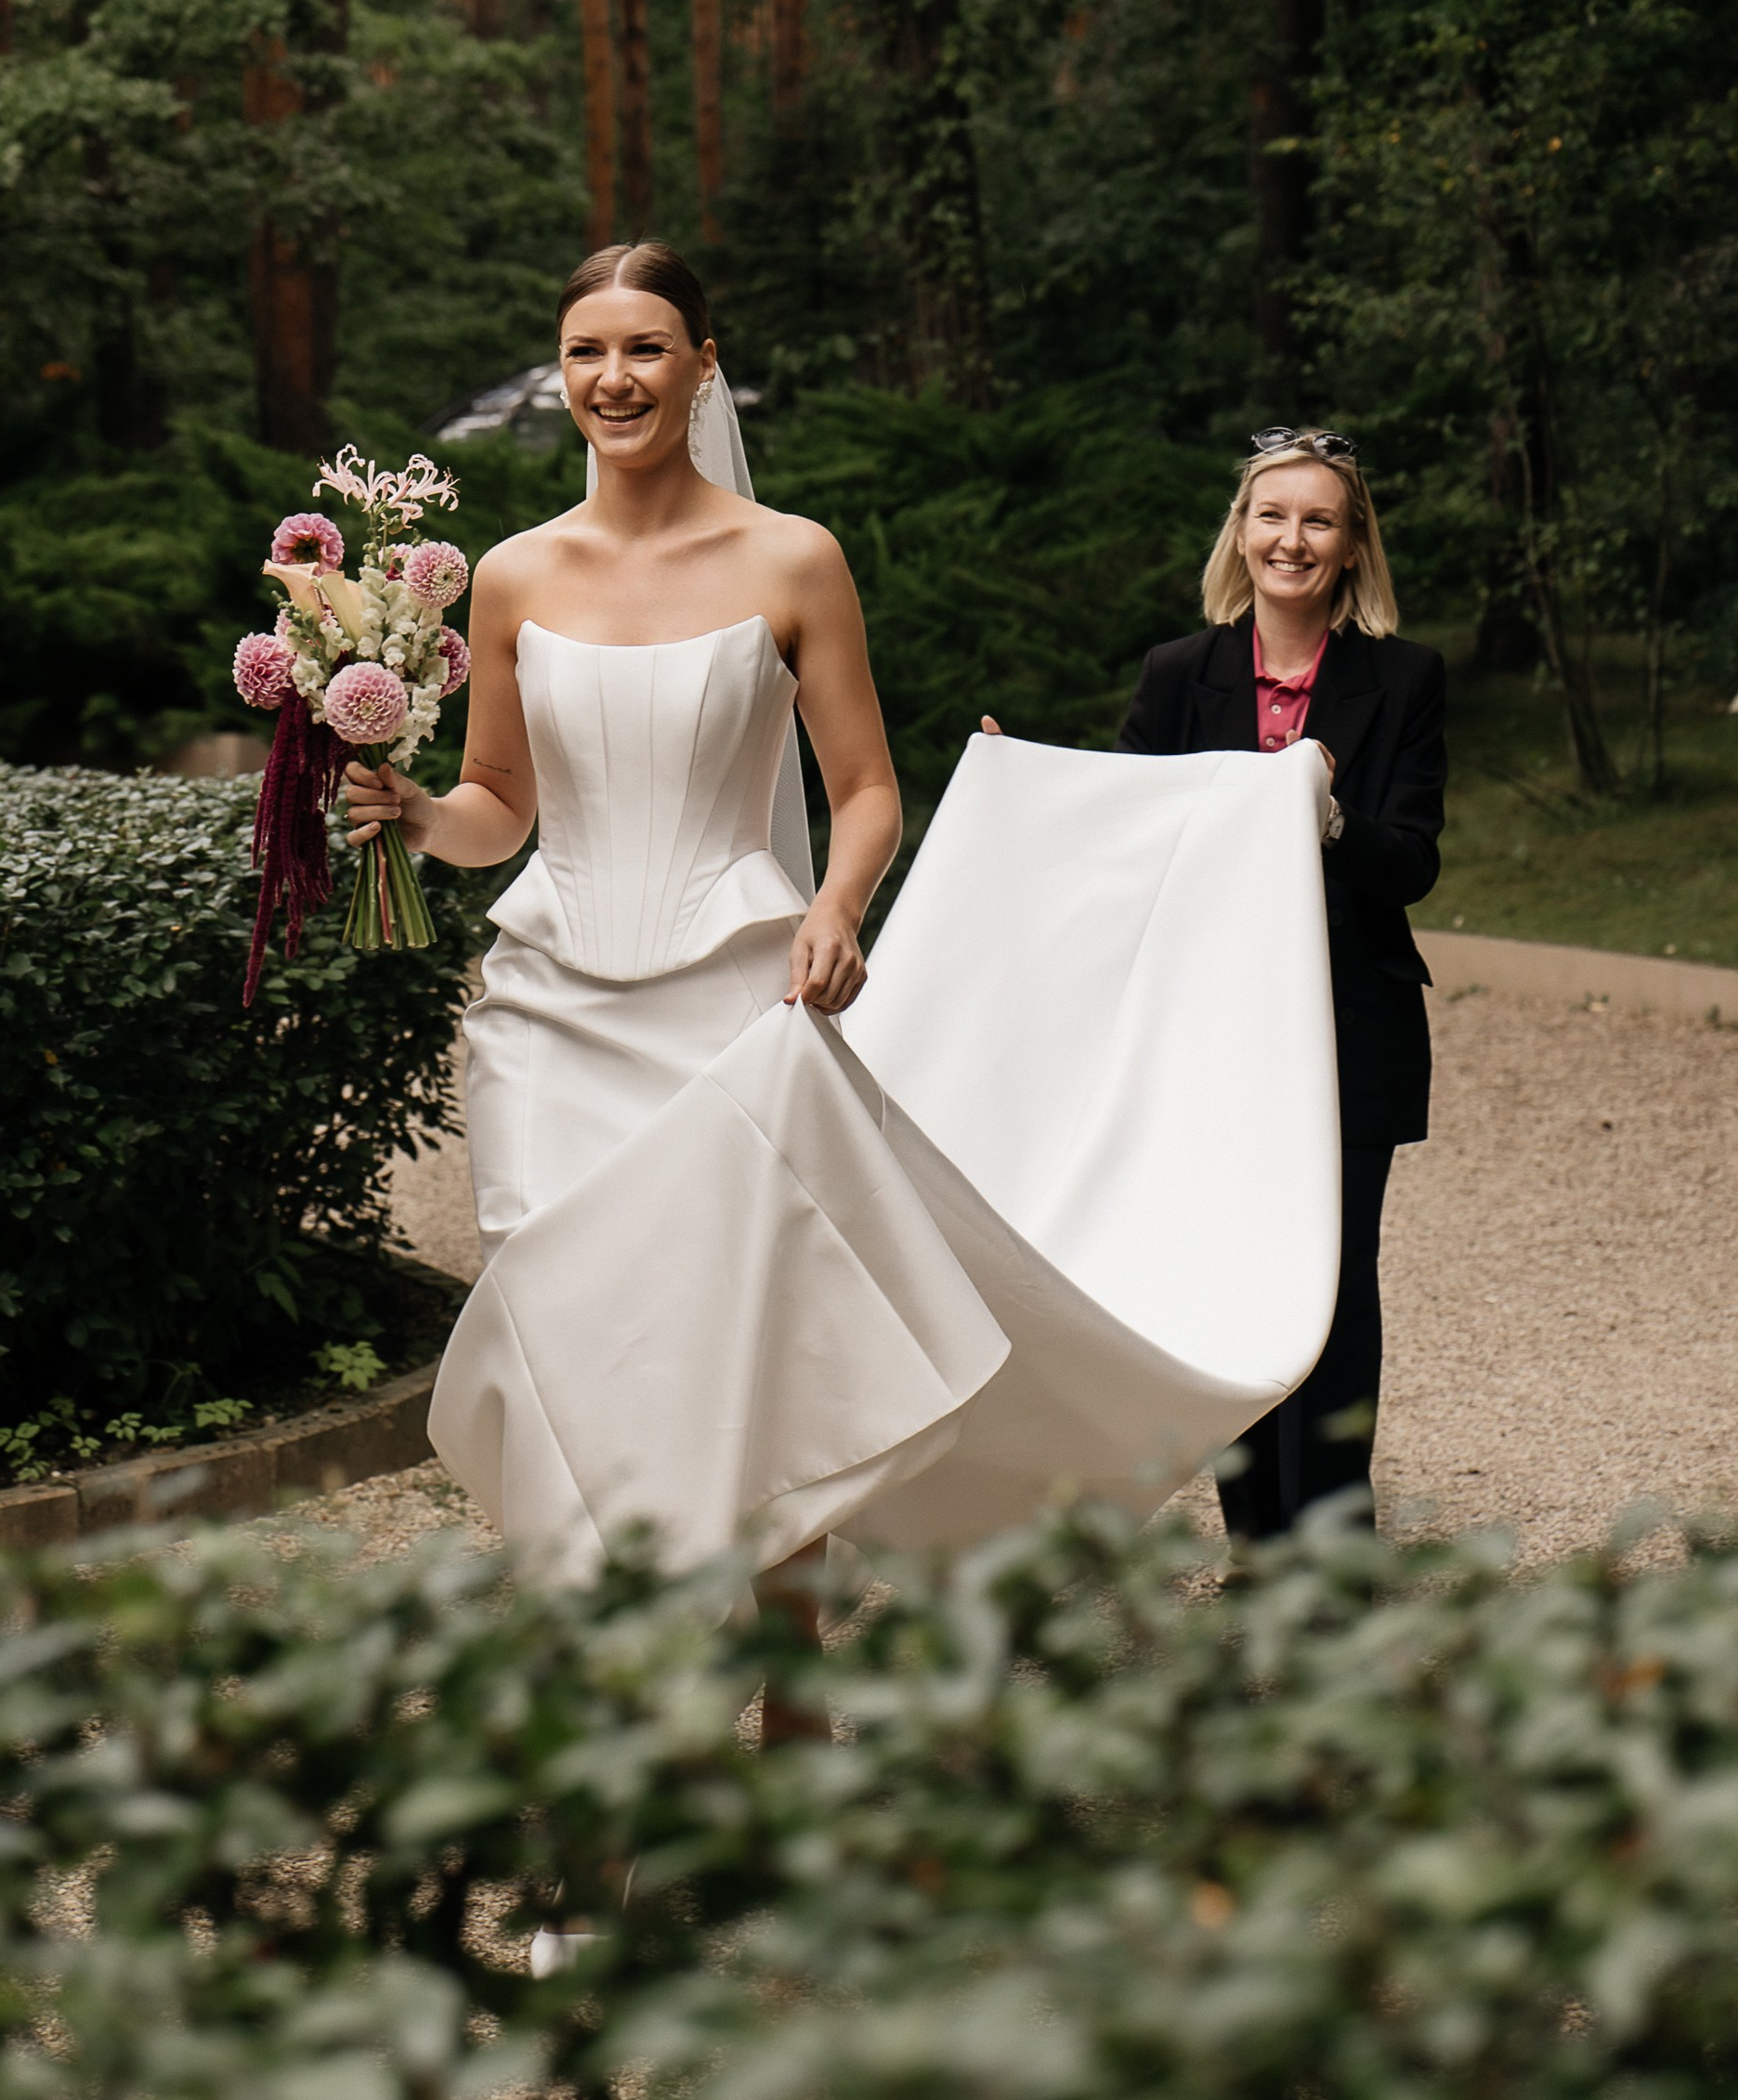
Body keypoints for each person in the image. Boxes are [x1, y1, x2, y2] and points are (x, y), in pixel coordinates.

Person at [341, 248, 1347, 1702]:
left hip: (734, 1007)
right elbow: (501, 798)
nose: (612, 379)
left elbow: (866, 787)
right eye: (584, 353)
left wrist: (836, 903)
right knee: (572, 1340)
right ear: (561, 373)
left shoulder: (792, 557)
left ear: (702, 365)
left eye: (644, 348)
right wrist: (422, 817)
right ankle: (597, 1696)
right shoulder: (510, 575)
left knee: (749, 1336)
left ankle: (788, 1678)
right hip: (550, 1016)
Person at [1114, 426, 1446, 1538]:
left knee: (1337, 1291)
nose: (1288, 539)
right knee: (1231, 1288)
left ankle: (1333, 1554)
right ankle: (1258, 1536)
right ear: (1239, 533)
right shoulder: (1176, 675)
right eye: (1270, 516)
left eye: (1316, 520)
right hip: (1210, 1035)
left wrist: (1331, 819)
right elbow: (1126, 846)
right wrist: (1022, 789)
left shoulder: (1403, 680)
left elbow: (1413, 862)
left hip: (1351, 1026)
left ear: (1352, 547)